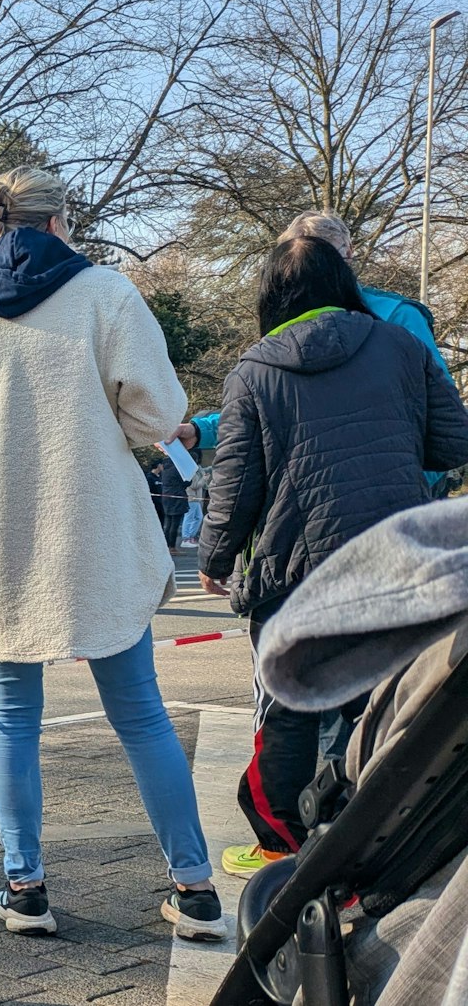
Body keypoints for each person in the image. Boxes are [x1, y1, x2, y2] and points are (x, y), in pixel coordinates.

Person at [0, 167, 226, 941]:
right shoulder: (107, 295)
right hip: (96, 535)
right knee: (142, 713)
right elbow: (156, 414)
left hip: (1, 537)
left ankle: (25, 889)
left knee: (11, 716)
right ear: (60, 220)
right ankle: (193, 886)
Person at [197, 236, 468, 878]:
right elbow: (453, 441)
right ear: (344, 283)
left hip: (297, 570)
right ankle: (375, 841)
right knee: (388, 699)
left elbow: (237, 484)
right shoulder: (399, 344)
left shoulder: (254, 370)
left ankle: (282, 850)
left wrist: (216, 556)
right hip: (396, 556)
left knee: (289, 705)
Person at [170, 211, 458, 499]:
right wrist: (201, 431)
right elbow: (269, 405)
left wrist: (415, 481)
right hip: (321, 497)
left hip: (394, 496)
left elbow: (440, 410)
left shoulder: (397, 316)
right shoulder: (285, 328)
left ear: (348, 253)